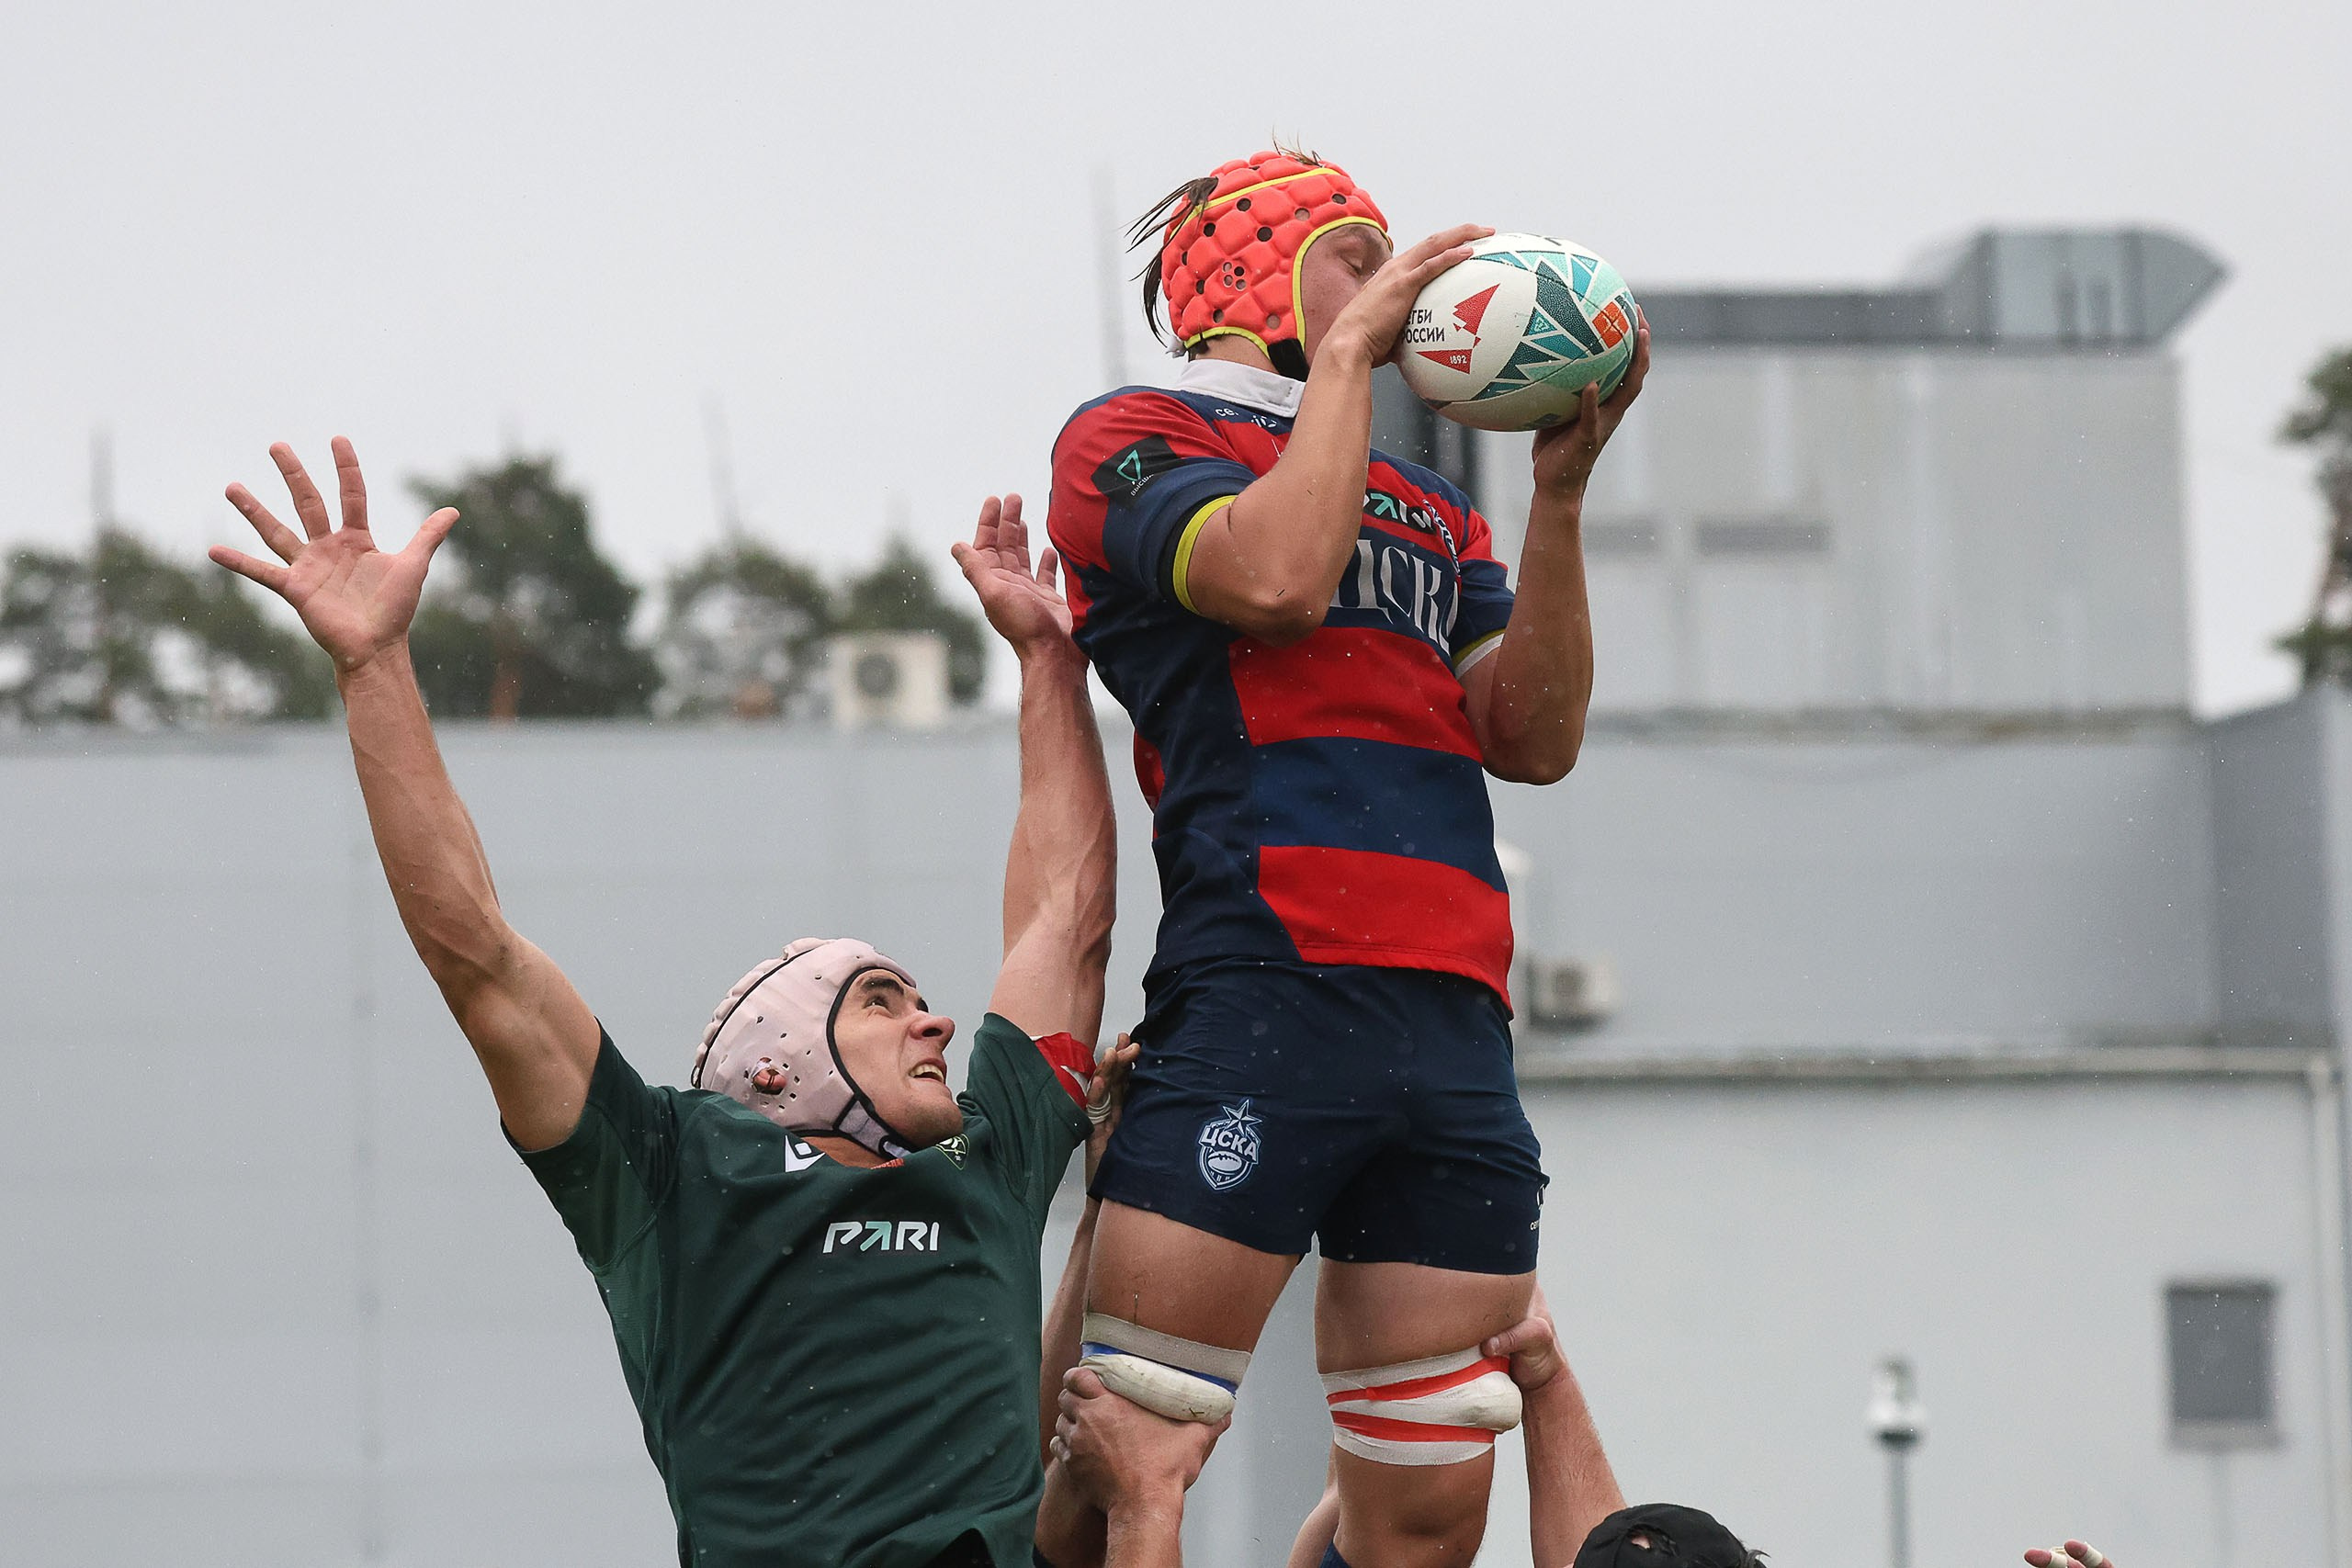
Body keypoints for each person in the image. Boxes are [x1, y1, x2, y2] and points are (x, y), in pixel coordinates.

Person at [211, 446, 1116, 1568]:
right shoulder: (672, 1173)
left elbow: (1063, 923)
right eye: (882, 1002)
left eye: (923, 1003)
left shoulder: (994, 1152)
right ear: (776, 1065)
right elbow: (479, 960)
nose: (936, 1024)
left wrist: (1047, 663)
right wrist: (375, 666)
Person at [1040, 147, 1649, 1568]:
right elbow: (1271, 578)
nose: (1396, 290)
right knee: (1118, 1454)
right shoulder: (1127, 434)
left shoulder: (1434, 507)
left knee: (1428, 1508)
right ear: (1252, 279)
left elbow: (1536, 735)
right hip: (1268, 983)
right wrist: (1354, 364)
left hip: (1454, 1015)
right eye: (1356, 257)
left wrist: (1556, 494)